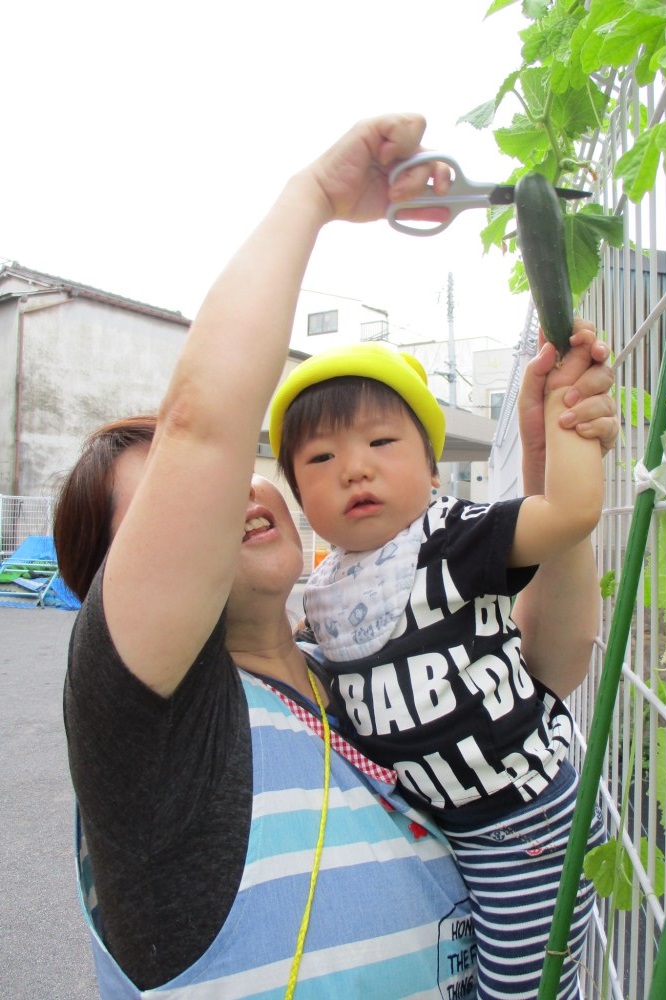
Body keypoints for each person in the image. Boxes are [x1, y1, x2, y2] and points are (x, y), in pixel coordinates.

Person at [54, 112, 618, 999]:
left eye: (236, 475)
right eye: (176, 497)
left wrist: (546, 469)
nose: (231, 493)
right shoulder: (154, 743)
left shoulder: (340, 654)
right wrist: (314, 197)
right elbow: (201, 426)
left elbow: (548, 663)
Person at [268, 324, 608, 999]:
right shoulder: (326, 591)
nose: (353, 468)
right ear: (301, 500)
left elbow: (569, 513)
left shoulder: (453, 538)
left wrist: (567, 420)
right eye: (321, 457)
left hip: (524, 827)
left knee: (522, 992)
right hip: (450, 833)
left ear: (432, 469)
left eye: (380, 443)